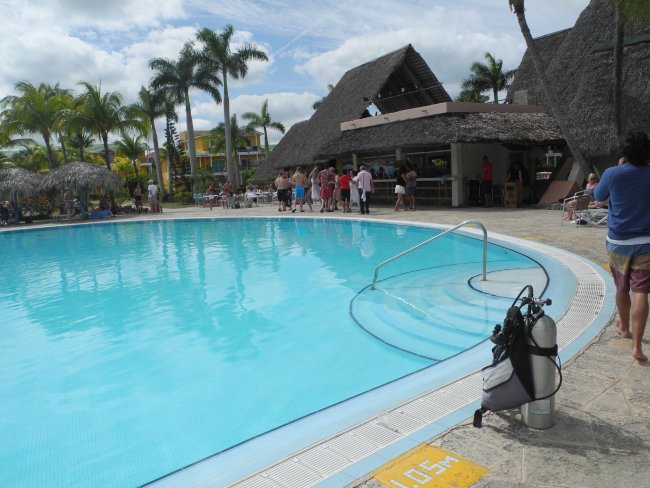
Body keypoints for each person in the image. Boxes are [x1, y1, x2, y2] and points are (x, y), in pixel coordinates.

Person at [594, 130, 650, 361]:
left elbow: (598, 195)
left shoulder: (612, 173)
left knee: (621, 288)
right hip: (646, 242)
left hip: (618, 242)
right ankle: (637, 347)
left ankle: (625, 328)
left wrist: (619, 168)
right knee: (641, 292)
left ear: (625, 153)